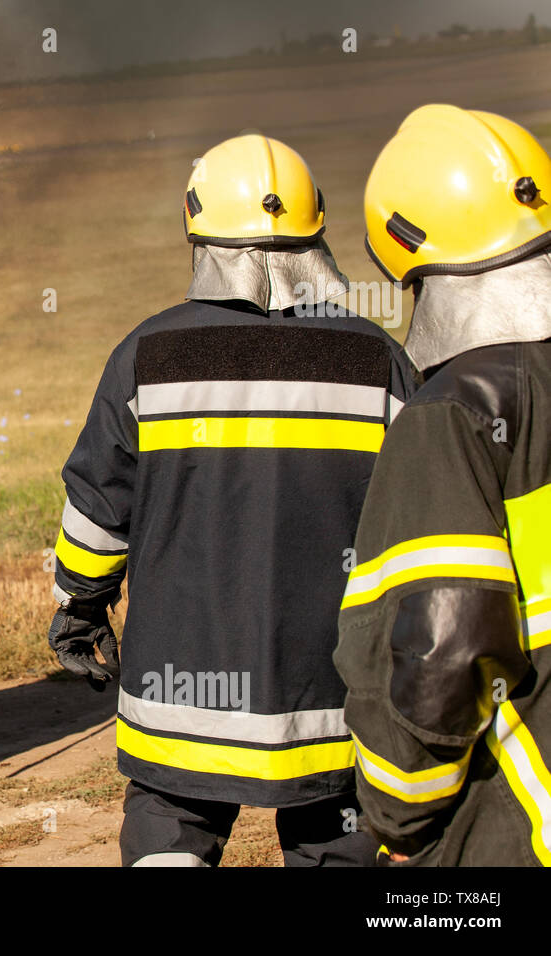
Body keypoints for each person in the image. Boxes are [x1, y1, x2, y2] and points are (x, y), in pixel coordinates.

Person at [48, 134, 415, 866]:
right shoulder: (377, 360)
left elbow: (97, 511)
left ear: (196, 228)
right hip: (328, 702)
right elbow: (423, 515)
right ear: (318, 227)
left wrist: (79, 608)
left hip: (178, 699)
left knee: (168, 838)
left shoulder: (145, 357)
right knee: (334, 843)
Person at [335, 105, 551, 866]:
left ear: (404, 250)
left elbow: (444, 644)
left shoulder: (451, 416)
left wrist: (399, 813)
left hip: (513, 833)